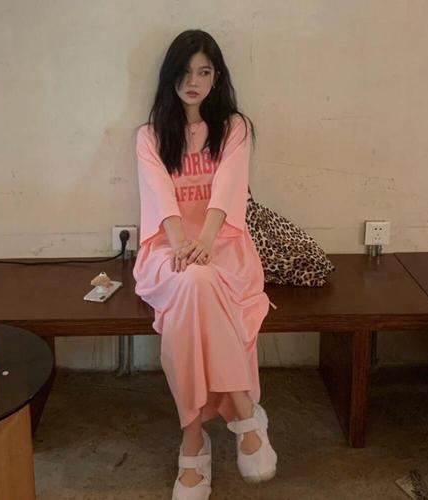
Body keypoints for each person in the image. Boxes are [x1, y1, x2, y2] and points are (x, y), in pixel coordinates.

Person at [132, 29, 278, 500]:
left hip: (224, 246)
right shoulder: (150, 136)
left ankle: (193, 443)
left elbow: (228, 191)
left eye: (204, 71)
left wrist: (205, 243)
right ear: (170, 75)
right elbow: (160, 198)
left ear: (217, 78)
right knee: (194, 282)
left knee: (198, 289)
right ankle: (243, 412)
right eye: (185, 71)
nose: (193, 81)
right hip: (166, 250)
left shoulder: (234, 128)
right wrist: (182, 245)